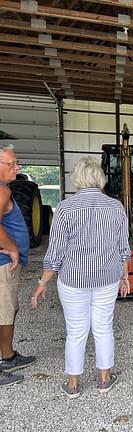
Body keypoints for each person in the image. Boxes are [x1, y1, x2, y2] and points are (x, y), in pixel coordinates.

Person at [30, 157, 131, 398]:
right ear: (100, 179)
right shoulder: (116, 207)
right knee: (103, 327)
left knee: (75, 331)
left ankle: (73, 384)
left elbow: (55, 252)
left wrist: (42, 282)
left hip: (73, 280)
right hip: (107, 278)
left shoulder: (65, 208)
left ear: (77, 179)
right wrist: (124, 275)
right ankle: (104, 379)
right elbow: (123, 248)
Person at [0, 144, 36, 387]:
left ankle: (9, 355)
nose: (17, 167)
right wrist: (13, 248)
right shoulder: (1, 192)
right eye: (11, 164)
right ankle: (5, 364)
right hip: (4, 265)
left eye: (16, 163)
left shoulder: (5, 189)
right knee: (4, 312)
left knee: (8, 310)